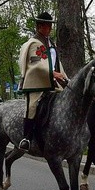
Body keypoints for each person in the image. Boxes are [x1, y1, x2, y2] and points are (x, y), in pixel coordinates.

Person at [17, 11, 69, 151]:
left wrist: (65, 77)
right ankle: (26, 138)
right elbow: (37, 64)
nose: (50, 28)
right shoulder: (34, 43)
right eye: (47, 26)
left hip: (53, 82)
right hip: (37, 83)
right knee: (32, 106)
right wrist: (53, 73)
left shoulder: (51, 43)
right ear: (40, 27)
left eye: (50, 26)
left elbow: (57, 63)